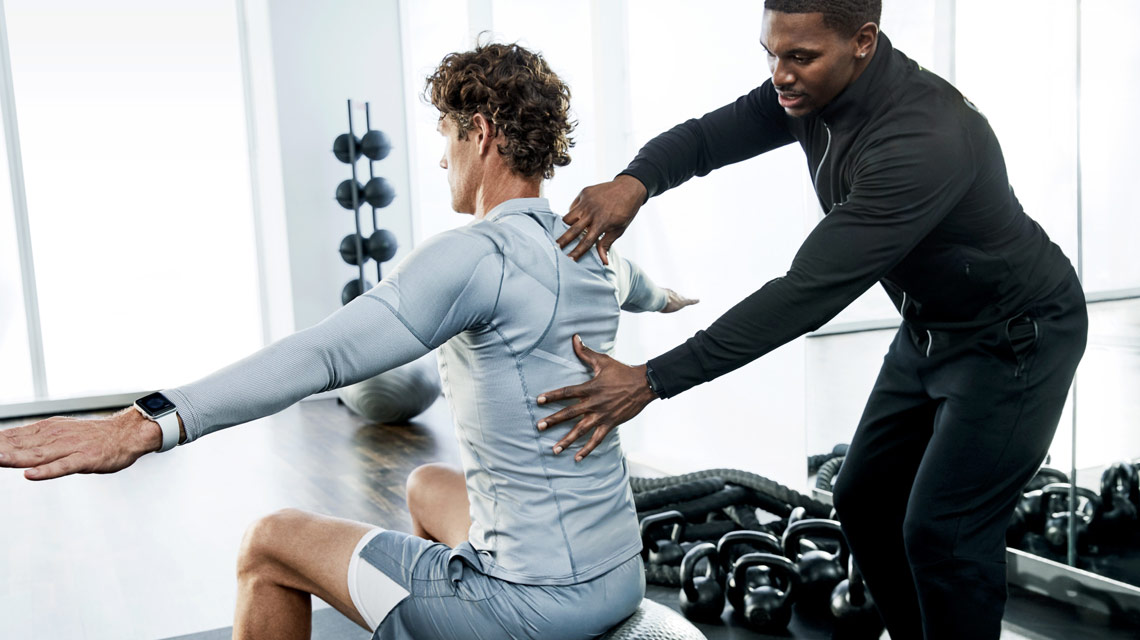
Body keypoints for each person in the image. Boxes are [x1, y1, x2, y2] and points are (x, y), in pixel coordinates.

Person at [0, 42, 697, 640]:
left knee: (269, 542)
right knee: (426, 485)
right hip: (617, 574)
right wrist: (670, 299)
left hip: (531, 606)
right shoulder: (591, 249)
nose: (443, 159)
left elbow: (323, 355)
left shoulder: (477, 256)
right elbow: (641, 285)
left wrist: (145, 425)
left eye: (447, 137)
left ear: (480, 133)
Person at [534, 2, 1087, 639]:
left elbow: (806, 292)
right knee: (864, 500)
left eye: (798, 57)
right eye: (770, 53)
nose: (779, 73)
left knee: (945, 533)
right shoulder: (810, 91)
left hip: (1016, 340)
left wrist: (653, 378)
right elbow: (709, 137)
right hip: (932, 329)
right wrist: (635, 180)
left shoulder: (923, 138)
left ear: (863, 41)